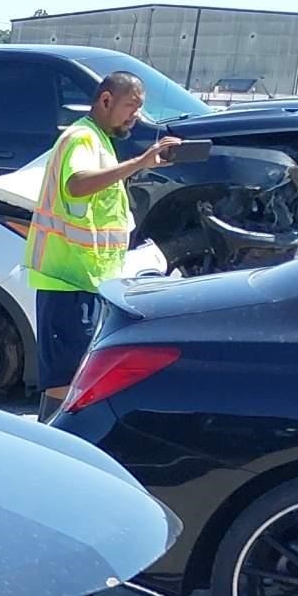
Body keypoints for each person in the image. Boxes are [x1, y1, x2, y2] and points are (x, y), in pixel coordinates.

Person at [26, 70, 178, 399]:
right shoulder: (82, 138)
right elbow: (77, 184)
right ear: (106, 100)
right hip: (66, 283)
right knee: (64, 386)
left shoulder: (99, 140)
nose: (136, 116)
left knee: (76, 382)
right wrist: (139, 162)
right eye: (131, 106)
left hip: (86, 281)